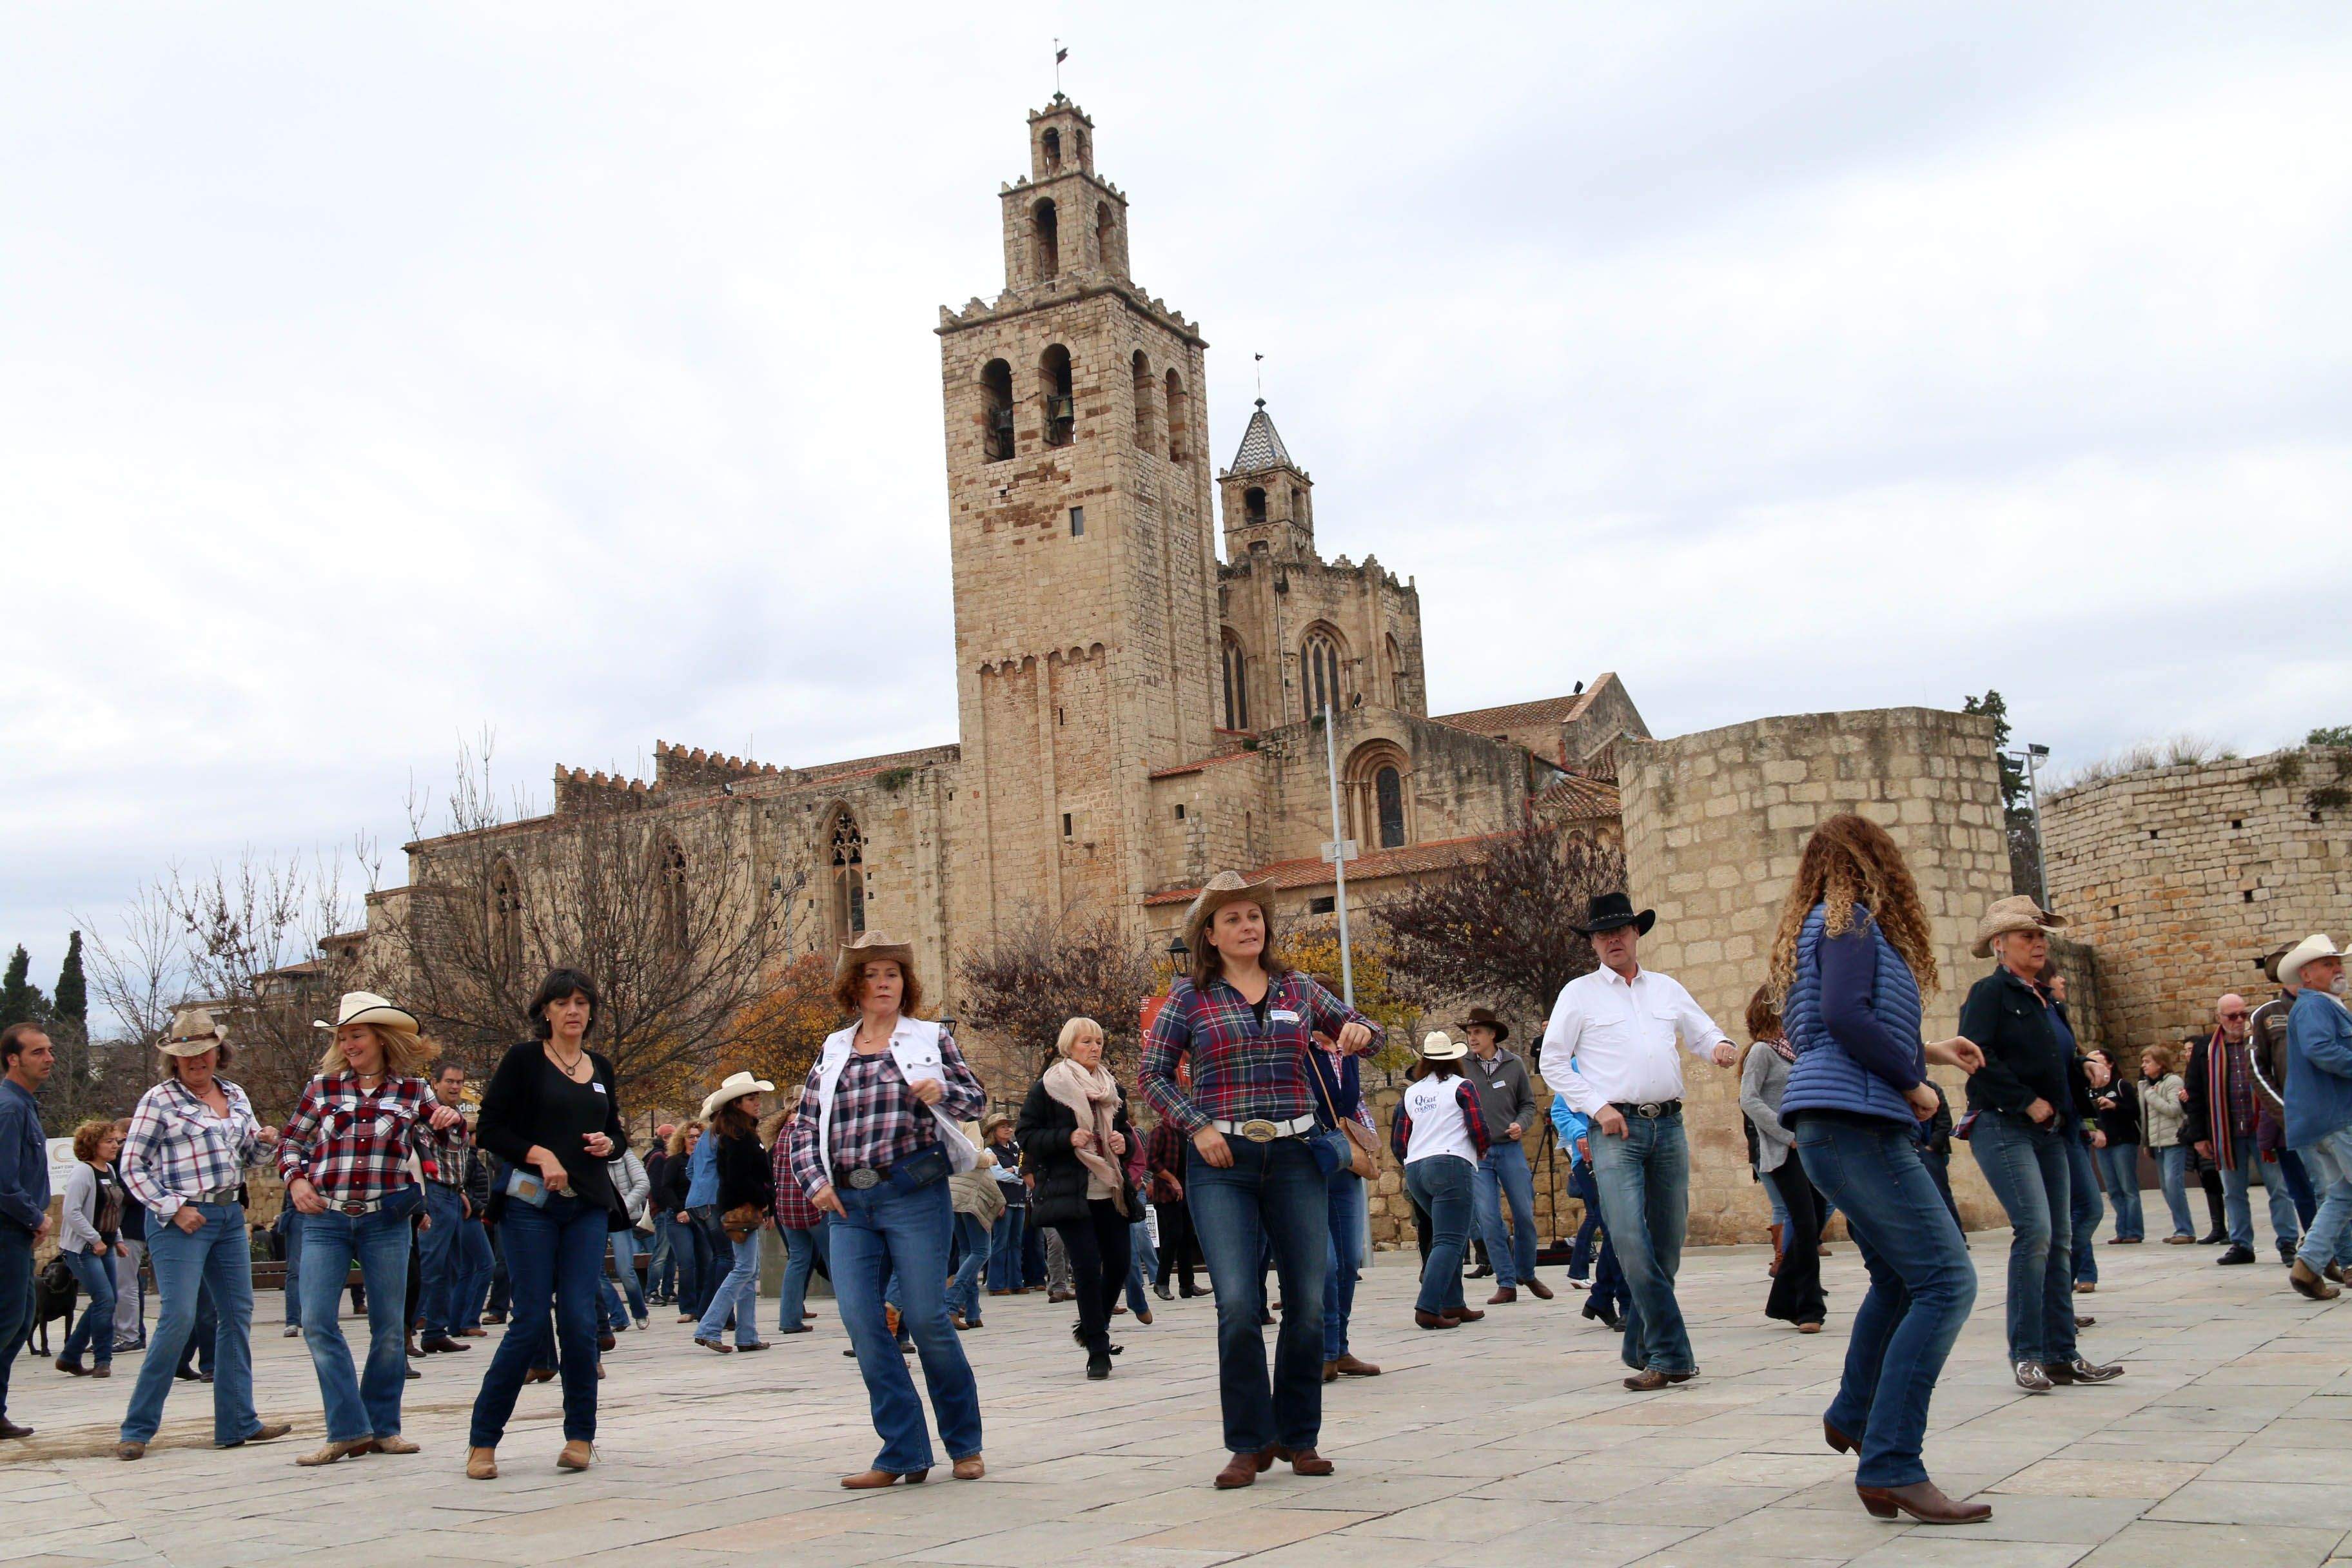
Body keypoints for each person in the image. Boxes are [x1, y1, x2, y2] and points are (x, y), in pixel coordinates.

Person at [1772, 812, 1989, 1524]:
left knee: (1901, 1277)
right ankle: (1892, 1461)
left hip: (1840, 1121)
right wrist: (1913, 1082)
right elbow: (1844, 1017)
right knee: (1947, 1279)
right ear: (1875, 863)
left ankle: (1855, 1411)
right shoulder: (1848, 922)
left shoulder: (1828, 927)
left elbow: (1836, 1026)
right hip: (1857, 1124)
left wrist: (1927, 1050)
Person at [1139, 871, 1381, 1490]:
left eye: (1255, 916)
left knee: (1306, 1299)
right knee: (1240, 1304)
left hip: (1298, 1155)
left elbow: (1366, 1031)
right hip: (1222, 1161)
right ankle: (1248, 1442)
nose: (1249, 926)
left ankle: (1300, 1438)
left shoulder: (1298, 988)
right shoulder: (1188, 1000)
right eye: (1233, 920)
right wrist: (1198, 1127)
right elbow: (1154, 1075)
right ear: (1211, 937)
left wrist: (1359, 1032)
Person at [788, 931, 989, 1488]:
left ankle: (964, 1441)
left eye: (893, 975)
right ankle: (903, 1449)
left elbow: (977, 1099)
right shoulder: (833, 1049)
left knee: (925, 1318)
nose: (884, 984)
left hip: (913, 1194)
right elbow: (804, 1126)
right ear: (854, 987)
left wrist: (939, 1089)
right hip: (848, 1204)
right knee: (861, 1321)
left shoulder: (929, 1039)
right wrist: (814, 1183)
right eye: (873, 975)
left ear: (906, 984)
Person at [1538, 890, 1740, 1393]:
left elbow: (1701, 1030)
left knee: (1667, 1246)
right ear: (1593, 944)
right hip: (1615, 1130)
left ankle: (1639, 1346)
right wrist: (1597, 1107)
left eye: (1620, 931)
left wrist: (1719, 1045)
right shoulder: (1578, 994)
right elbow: (1553, 1062)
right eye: (1602, 935)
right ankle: (1672, 1355)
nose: (1612, 940)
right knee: (1629, 1238)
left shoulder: (1666, 988)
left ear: (1636, 934)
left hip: (1668, 1126)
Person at [279, 991, 462, 1467]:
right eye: (342, 1037)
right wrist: (296, 1181)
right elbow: (290, 1144)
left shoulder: (412, 1090)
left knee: (388, 1328)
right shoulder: (321, 1088)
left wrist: (448, 1118)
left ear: (380, 1039)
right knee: (318, 1321)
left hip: (386, 1220)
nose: (348, 1043)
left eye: (356, 1035)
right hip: (324, 1218)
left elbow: (448, 1135)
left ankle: (383, 1428)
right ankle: (347, 1428)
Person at [465, 968, 630, 1480]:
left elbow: (615, 1134)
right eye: (563, 1003)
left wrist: (611, 1146)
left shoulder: (599, 1066)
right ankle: (483, 1441)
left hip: (587, 1205)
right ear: (546, 1011)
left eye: (582, 1002)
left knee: (581, 1321)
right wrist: (539, 1154)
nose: (573, 1011)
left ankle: (580, 1436)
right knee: (532, 1319)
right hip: (530, 1206)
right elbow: (489, 1128)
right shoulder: (523, 1060)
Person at [114, 1008, 292, 1460]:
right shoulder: (159, 1100)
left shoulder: (235, 1094)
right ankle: (137, 1428)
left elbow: (248, 1158)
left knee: (236, 1315)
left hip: (230, 1214)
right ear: (174, 1060)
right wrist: (174, 1209)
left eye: (204, 1052)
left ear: (219, 1051)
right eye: (186, 1054)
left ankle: (237, 1421)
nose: (197, 1061)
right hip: (181, 1222)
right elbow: (131, 1167)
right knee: (178, 1318)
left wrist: (266, 1142)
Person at [1961, 897, 2122, 1394]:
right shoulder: (1989, 993)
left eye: (2041, 935)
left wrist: (2084, 1070)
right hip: (2005, 1125)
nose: (2038, 943)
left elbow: (2056, 1059)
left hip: (2052, 1130)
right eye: (2027, 935)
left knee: (2061, 1236)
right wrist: (2026, 1100)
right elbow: (1976, 1055)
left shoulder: (2046, 999)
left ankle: (2061, 1355)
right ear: (1999, 945)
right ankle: (2027, 1354)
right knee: (2034, 1233)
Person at [1019, 1017, 1137, 1380]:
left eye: (1099, 1041)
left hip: (1109, 1188)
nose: (1095, 1047)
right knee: (1086, 1267)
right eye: (1087, 1041)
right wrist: (1067, 1138)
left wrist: (1124, 1143)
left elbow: (1125, 1134)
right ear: (1070, 1046)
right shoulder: (1048, 1087)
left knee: (1119, 1263)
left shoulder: (1112, 1088)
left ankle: (1090, 1326)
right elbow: (1026, 1135)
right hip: (1071, 1191)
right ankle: (1098, 1349)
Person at [2184, 992, 2302, 1266]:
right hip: (2226, 1132)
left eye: (2243, 1014)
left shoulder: (2259, 1041)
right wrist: (2199, 1136)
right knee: (2234, 1192)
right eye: (2232, 1016)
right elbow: (2195, 1093)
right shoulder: (2206, 1049)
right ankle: (2241, 1244)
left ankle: (2287, 1242)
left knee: (2278, 1188)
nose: (2239, 1020)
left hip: (2264, 1129)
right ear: (2218, 1018)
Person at [1739, 988, 1824, 1334]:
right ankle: (1809, 1308)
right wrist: (1788, 1135)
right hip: (1785, 1151)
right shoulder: (1762, 1052)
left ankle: (1783, 1300)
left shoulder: (1799, 1052)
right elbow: (1749, 1099)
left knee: (1814, 1226)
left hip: (1815, 1149)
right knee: (1803, 1224)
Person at [1392, 1030, 1489, 1330]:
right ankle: (1428, 1306)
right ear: (1454, 1061)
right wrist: (1482, 1150)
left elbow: (1400, 1139)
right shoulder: (1463, 1087)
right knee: (1450, 1239)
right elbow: (1478, 1125)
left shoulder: (1411, 1092)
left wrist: (1410, 1161)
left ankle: (1453, 1303)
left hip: (1417, 1167)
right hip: (1450, 1162)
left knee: (1448, 1235)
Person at [1304, 1012, 1378, 1381]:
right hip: (1304, 1164)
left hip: (1343, 1163)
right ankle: (1323, 1350)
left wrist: (1366, 1140)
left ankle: (1340, 1348)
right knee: (1326, 1265)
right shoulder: (1297, 1049)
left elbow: (1355, 1105)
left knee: (1350, 1260)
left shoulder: (1346, 1053)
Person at [1460, 1006, 1549, 1305]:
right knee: (1488, 1218)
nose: (1472, 1038)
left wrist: (1520, 1125)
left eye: (1477, 1033)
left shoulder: (1514, 1065)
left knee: (1524, 1214)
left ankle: (1527, 1273)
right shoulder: (1461, 1067)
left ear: (1492, 1034)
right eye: (1469, 1033)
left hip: (1510, 1150)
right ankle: (1506, 1282)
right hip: (1479, 1153)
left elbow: (1528, 1104)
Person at [2280, 936, 2352, 1300]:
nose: (2338, 968)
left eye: (2337, 962)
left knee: (2342, 1195)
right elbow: (2321, 1050)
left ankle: (2307, 1267)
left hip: (2325, 1118)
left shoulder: (2322, 1005)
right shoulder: (2314, 1008)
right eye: (2328, 964)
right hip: (2337, 1117)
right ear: (2307, 975)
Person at [694, 1072, 775, 1353]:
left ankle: (747, 1335)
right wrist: (763, 1200)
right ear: (737, 1103)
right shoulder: (738, 1135)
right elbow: (740, 1177)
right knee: (743, 1269)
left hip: (742, 1205)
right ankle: (709, 1326)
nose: (757, 1103)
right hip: (741, 1206)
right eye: (752, 1098)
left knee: (748, 1270)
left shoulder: (739, 1132)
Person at [0, 1023, 53, 1442]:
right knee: (8, 1321)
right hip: (6, 1231)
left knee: (18, 1323)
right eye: (38, 1052)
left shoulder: (25, 1104)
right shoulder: (10, 1107)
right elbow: (3, 1181)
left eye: (49, 1050)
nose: (49, 1058)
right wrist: (35, 1217)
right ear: (13, 1059)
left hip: (17, 1231)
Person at [1550, 1084, 1626, 1330]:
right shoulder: (1577, 1068)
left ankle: (1601, 1297)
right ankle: (1627, 1304)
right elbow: (1560, 1111)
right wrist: (1581, 1134)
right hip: (1589, 1159)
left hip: (1626, 1154)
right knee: (1617, 1229)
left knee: (1620, 1229)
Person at [53, 1119, 124, 1378]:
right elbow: (71, 1211)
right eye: (109, 1141)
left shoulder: (110, 1171)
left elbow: (111, 1210)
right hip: (83, 1247)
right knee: (105, 1299)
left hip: (104, 1245)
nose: (115, 1145)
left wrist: (118, 1239)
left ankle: (70, 1356)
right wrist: (95, 1239)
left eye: (116, 1141)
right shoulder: (84, 1173)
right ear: (93, 1145)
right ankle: (103, 1360)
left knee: (107, 1300)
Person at [416, 1059, 478, 1355]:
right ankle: (404, 1329)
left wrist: (462, 1190)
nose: (455, 1087)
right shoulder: (427, 1115)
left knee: (451, 1266)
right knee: (428, 1265)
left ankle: (435, 1332)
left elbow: (457, 1159)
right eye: (449, 1082)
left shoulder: (456, 1117)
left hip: (453, 1193)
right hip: (434, 1192)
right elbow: (424, 1152)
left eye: (459, 1082)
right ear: (435, 1083)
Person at [771, 1098, 828, 1334]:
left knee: (797, 1261)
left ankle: (789, 1319)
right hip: (814, 1205)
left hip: (787, 1208)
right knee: (838, 1262)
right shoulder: (815, 1131)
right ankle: (857, 1319)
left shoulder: (782, 1135)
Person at [2084, 1049, 2142, 1245]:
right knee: (2113, 1189)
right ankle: (2122, 1229)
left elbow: (2135, 1112)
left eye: (2099, 1062)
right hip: (2103, 1144)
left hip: (2123, 1141)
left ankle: (2134, 1230)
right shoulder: (2089, 1090)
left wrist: (2115, 1106)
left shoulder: (2121, 1085)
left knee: (2128, 1188)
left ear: (2110, 1065)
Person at [946, 1125, 1002, 1331]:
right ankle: (951, 1302)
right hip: (970, 1191)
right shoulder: (967, 1120)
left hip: (953, 1189)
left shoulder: (943, 1118)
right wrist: (991, 1159)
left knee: (966, 1251)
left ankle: (972, 1311)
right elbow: (973, 1157)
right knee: (981, 1251)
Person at [2137, 1047, 2195, 1242]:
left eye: (2147, 1062)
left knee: (2173, 1184)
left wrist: (2152, 1097)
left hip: (2173, 1140)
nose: (2143, 1066)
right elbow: (2145, 1118)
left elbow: (2173, 1109)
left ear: (2160, 1064)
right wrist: (2146, 1142)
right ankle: (2180, 1227)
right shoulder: (2145, 1086)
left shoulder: (2173, 1082)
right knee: (2165, 1187)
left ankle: (2185, 1230)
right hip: (2157, 1143)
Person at [1145, 1112, 1203, 1298]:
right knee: (1172, 1236)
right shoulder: (1160, 1131)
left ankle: (1187, 1284)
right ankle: (1161, 1282)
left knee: (1187, 1236)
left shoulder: (1187, 1133)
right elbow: (1151, 1161)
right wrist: (1172, 1180)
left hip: (1187, 1191)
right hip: (1167, 1192)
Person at [600, 1137, 652, 1336]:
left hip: (620, 1219)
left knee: (625, 1269)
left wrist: (622, 1208)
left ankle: (639, 1311)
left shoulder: (623, 1155)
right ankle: (618, 1316)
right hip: (594, 1218)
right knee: (596, 1272)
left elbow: (642, 1184)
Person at [656, 1122, 708, 1322]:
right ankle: (688, 1308)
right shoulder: (675, 1162)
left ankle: (704, 1306)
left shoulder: (706, 1162)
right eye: (691, 1136)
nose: (695, 1140)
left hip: (702, 1215)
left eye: (698, 1136)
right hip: (679, 1217)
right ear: (683, 1139)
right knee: (687, 1262)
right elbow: (665, 1189)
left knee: (706, 1261)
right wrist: (680, 1210)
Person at [108, 1120, 148, 1354]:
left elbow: (133, 1194)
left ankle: (129, 1333)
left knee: (125, 1284)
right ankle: (128, 1332)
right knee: (127, 1283)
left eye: (115, 1139)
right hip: (131, 1228)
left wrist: (113, 1194)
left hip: (130, 1229)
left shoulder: (129, 1159)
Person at [980, 1115, 1028, 1297]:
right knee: (1000, 1242)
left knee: (1017, 1243)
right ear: (994, 1132)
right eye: (1003, 1127)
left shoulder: (1017, 1149)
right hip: (1003, 1201)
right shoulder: (990, 1152)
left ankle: (1016, 1281)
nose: (1008, 1130)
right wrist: (1017, 1173)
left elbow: (1024, 1169)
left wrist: (1014, 1171)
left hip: (1019, 1200)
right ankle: (996, 1284)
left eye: (1009, 1126)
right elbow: (997, 1175)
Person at [642, 1126, 674, 1306]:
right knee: (662, 1252)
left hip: (667, 1210)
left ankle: (668, 1290)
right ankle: (652, 1290)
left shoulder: (665, 1157)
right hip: (662, 1210)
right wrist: (665, 1206)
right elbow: (656, 1187)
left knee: (671, 1253)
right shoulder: (658, 1157)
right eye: (669, 1136)